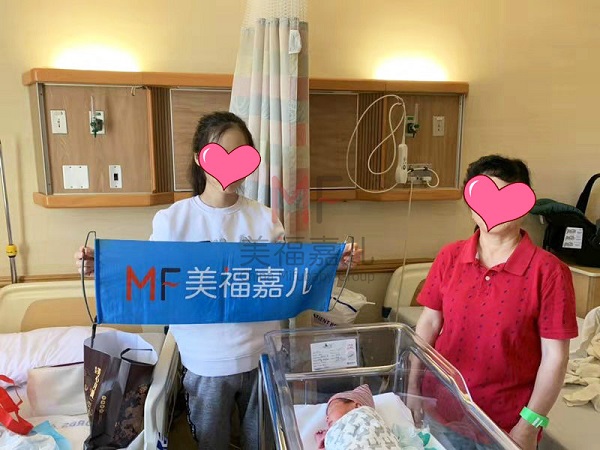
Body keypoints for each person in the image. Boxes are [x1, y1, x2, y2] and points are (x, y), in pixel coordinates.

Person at [74, 111, 360, 450]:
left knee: (262, 443)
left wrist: (334, 263)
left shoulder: (265, 219)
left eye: (240, 155)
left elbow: (289, 277)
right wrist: (102, 268)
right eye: (220, 154)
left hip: (262, 357)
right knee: (212, 443)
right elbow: (149, 275)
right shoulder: (173, 221)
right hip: (204, 363)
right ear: (200, 158)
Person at [407, 155, 578, 450]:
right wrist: (412, 387)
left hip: (506, 426)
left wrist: (528, 426)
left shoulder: (548, 271)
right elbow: (429, 324)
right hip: (440, 407)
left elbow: (555, 358)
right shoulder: (450, 256)